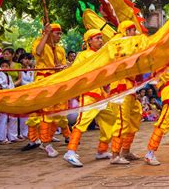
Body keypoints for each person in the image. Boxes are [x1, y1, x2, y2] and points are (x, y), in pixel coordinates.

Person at [63, 29, 117, 167]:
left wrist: (106, 86)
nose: (100, 40)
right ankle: (70, 151)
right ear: (89, 41)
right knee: (82, 122)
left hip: (101, 95)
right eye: (97, 38)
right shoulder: (83, 55)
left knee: (110, 120)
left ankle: (102, 150)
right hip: (88, 94)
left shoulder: (102, 55)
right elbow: (76, 72)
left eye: (100, 38)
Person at [108, 20, 148, 165]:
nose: (134, 33)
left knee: (135, 117)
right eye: (132, 30)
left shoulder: (130, 44)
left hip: (130, 87)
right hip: (120, 87)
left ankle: (126, 150)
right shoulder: (116, 44)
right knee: (122, 121)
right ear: (125, 31)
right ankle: (114, 155)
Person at [27, 23, 69, 157]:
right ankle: (44, 143)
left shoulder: (60, 49)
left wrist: (62, 67)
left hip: (57, 83)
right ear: (50, 33)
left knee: (58, 113)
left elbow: (64, 65)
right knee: (45, 112)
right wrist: (46, 34)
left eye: (60, 33)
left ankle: (47, 139)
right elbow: (38, 52)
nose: (59, 36)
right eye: (57, 33)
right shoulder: (40, 43)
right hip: (44, 82)